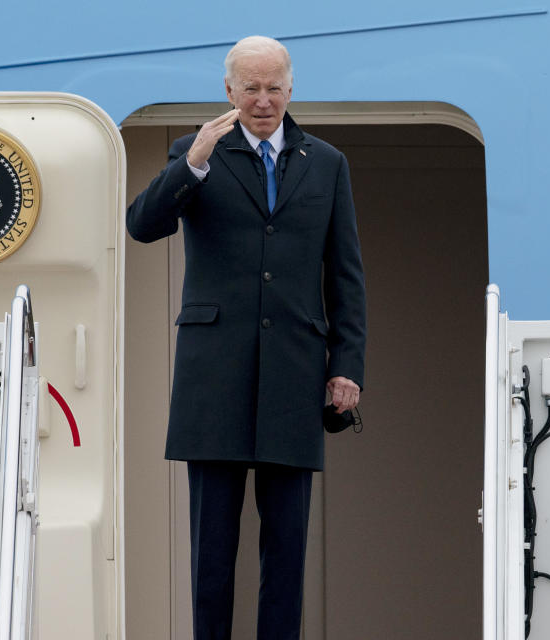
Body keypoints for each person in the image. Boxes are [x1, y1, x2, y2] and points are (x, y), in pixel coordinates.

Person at [127, 35, 366, 640]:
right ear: (228, 92)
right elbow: (142, 225)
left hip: (294, 373)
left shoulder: (328, 163)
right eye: (251, 89)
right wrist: (193, 164)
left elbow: (345, 274)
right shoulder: (196, 152)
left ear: (291, 88)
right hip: (214, 378)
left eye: (274, 88)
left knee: (287, 550)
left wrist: (347, 365)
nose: (263, 101)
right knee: (212, 553)